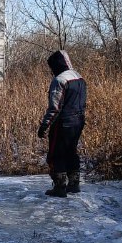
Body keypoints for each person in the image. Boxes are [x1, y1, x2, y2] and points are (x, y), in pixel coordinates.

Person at [37, 51, 87, 197]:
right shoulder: (79, 77)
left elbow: (55, 107)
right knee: (71, 151)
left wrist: (44, 126)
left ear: (56, 65)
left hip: (63, 123)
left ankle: (59, 187)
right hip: (78, 121)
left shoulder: (59, 80)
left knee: (56, 154)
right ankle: (74, 184)